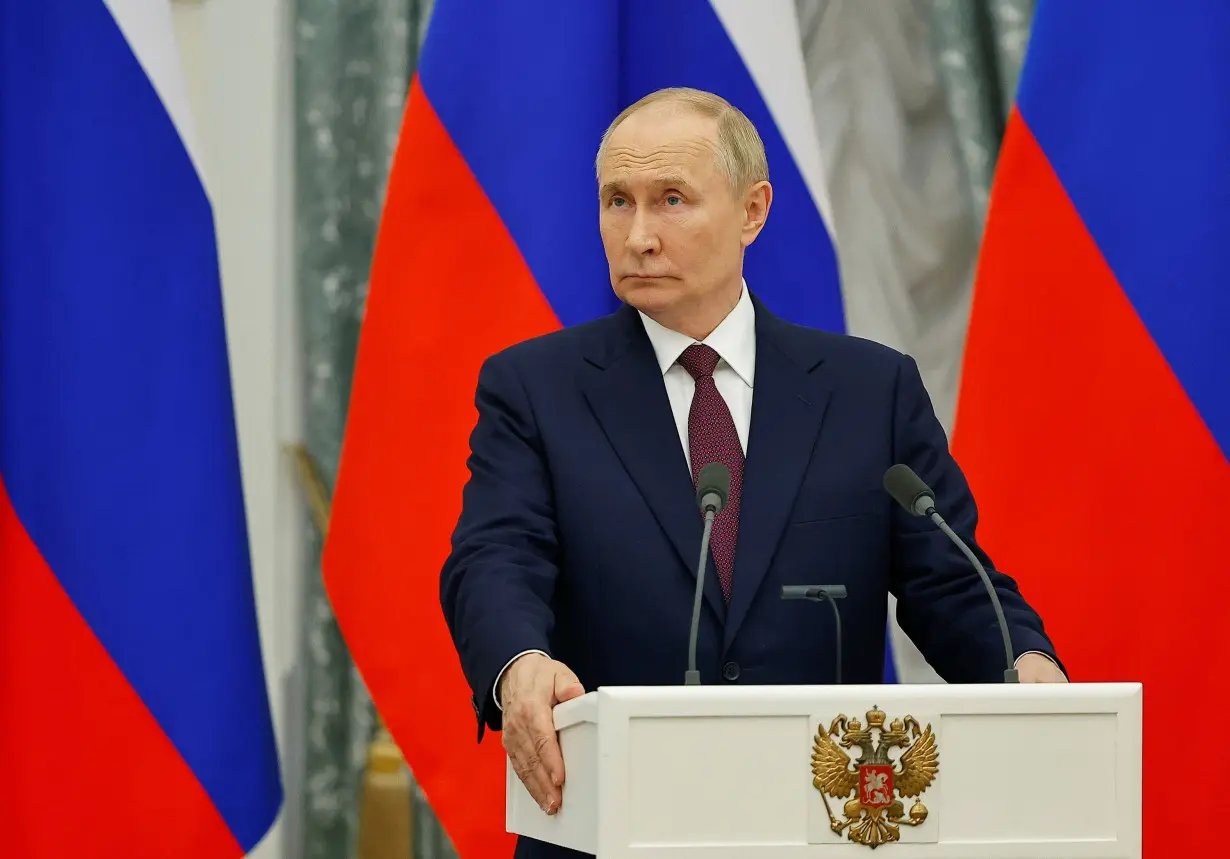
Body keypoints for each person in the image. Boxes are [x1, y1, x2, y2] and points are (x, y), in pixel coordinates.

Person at [439, 86, 1065, 859]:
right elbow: (495, 557)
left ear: (752, 211)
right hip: (611, 828)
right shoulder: (535, 388)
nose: (637, 235)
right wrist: (519, 664)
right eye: (617, 201)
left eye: (671, 199)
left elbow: (951, 579)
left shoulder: (869, 391)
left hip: (822, 827)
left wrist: (1025, 667)